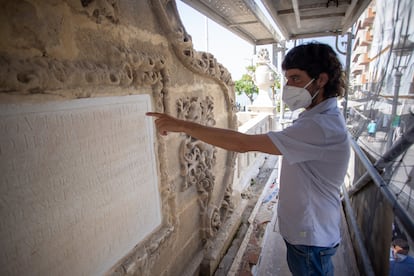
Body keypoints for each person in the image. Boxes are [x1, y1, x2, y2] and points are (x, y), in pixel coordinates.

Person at [147, 42, 350, 275]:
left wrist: (181, 124)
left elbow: (242, 143)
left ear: (321, 80)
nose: (287, 86)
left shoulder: (320, 126)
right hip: (308, 233)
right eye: (287, 79)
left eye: (295, 78)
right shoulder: (317, 117)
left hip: (311, 240)